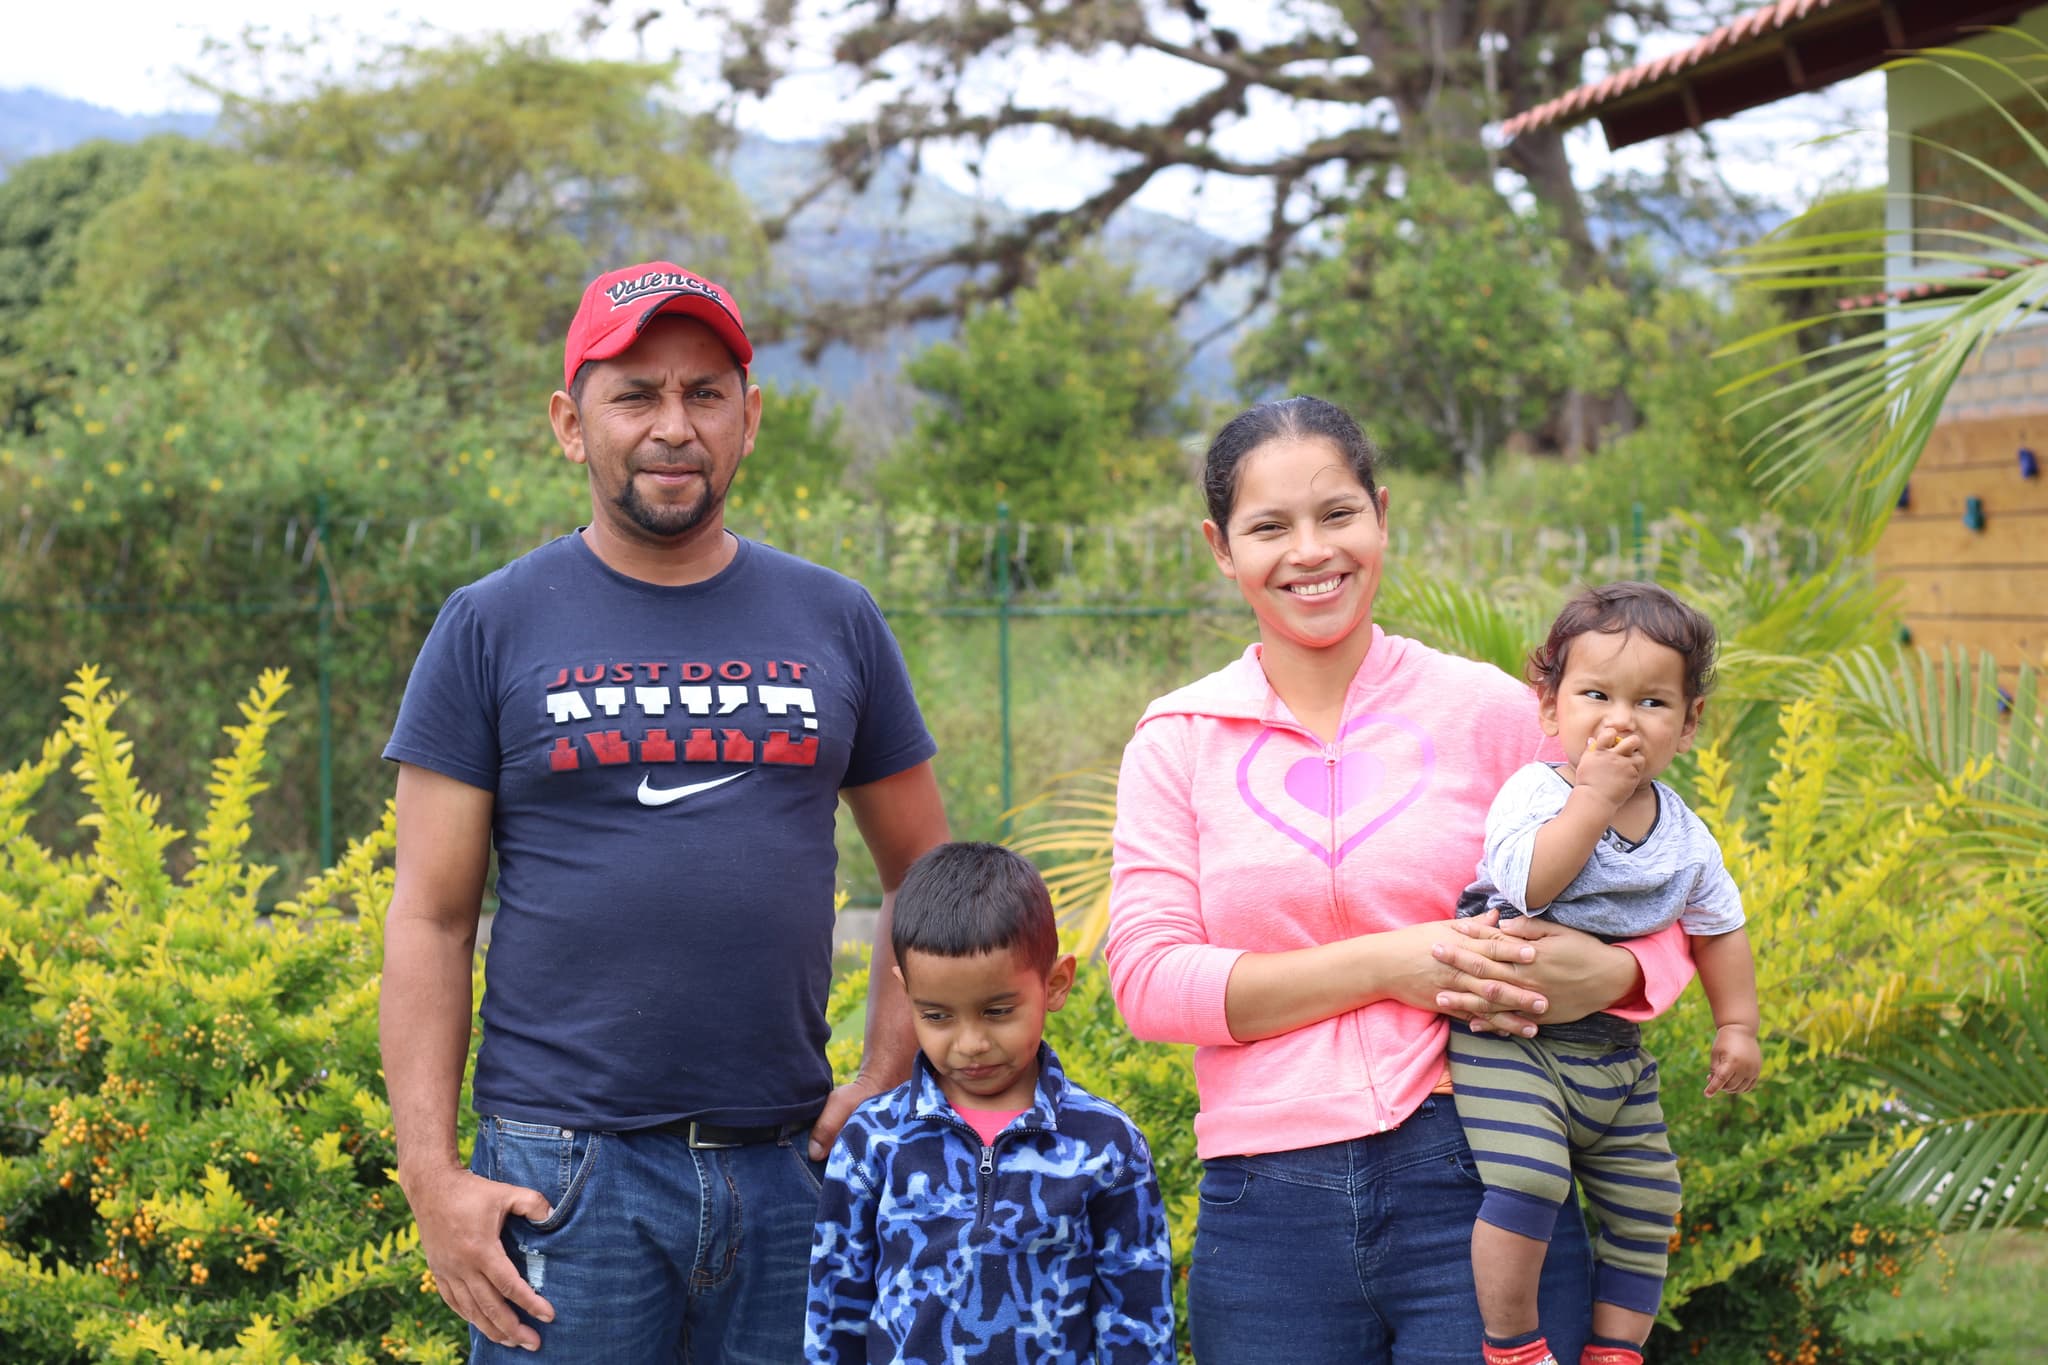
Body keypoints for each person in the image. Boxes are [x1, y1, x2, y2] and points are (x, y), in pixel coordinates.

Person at [379, 260, 949, 1362]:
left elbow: (926, 878)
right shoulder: (488, 626)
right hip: (560, 1184)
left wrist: (880, 1082)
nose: (671, 426)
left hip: (792, 1174)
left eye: (704, 393)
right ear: (569, 423)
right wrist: (433, 1182)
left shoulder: (836, 618)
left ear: (749, 418)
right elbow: (430, 919)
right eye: (634, 394)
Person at [1104, 395, 1697, 1365]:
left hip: (1488, 1175)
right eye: (1268, 527)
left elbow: (1662, 878)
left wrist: (1625, 978)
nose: (1309, 552)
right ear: (1219, 547)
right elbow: (1149, 982)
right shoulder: (1179, 740)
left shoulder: (1495, 715)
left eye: (1336, 514)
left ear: (1380, 513)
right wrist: (1392, 964)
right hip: (1266, 1210)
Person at [1448, 581, 1759, 1365]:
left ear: (1688, 724)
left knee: (1652, 1199)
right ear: (1551, 708)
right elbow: (1532, 885)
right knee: (1529, 1179)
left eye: (1652, 702)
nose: (1621, 719)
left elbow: (1719, 925)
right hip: (1511, 1040)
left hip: (1613, 1056)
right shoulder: (1538, 790)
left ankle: (1615, 1350)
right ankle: (1514, 1344)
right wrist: (1592, 798)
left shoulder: (1687, 836)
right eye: (1595, 694)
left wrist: (1737, 1024)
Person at [806, 842, 1175, 1363]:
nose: (970, 1043)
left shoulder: (1107, 1145)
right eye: (937, 1016)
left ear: (1055, 984)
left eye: (998, 1011)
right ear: (905, 993)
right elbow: (834, 1309)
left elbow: (1138, 1318)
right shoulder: (874, 1140)